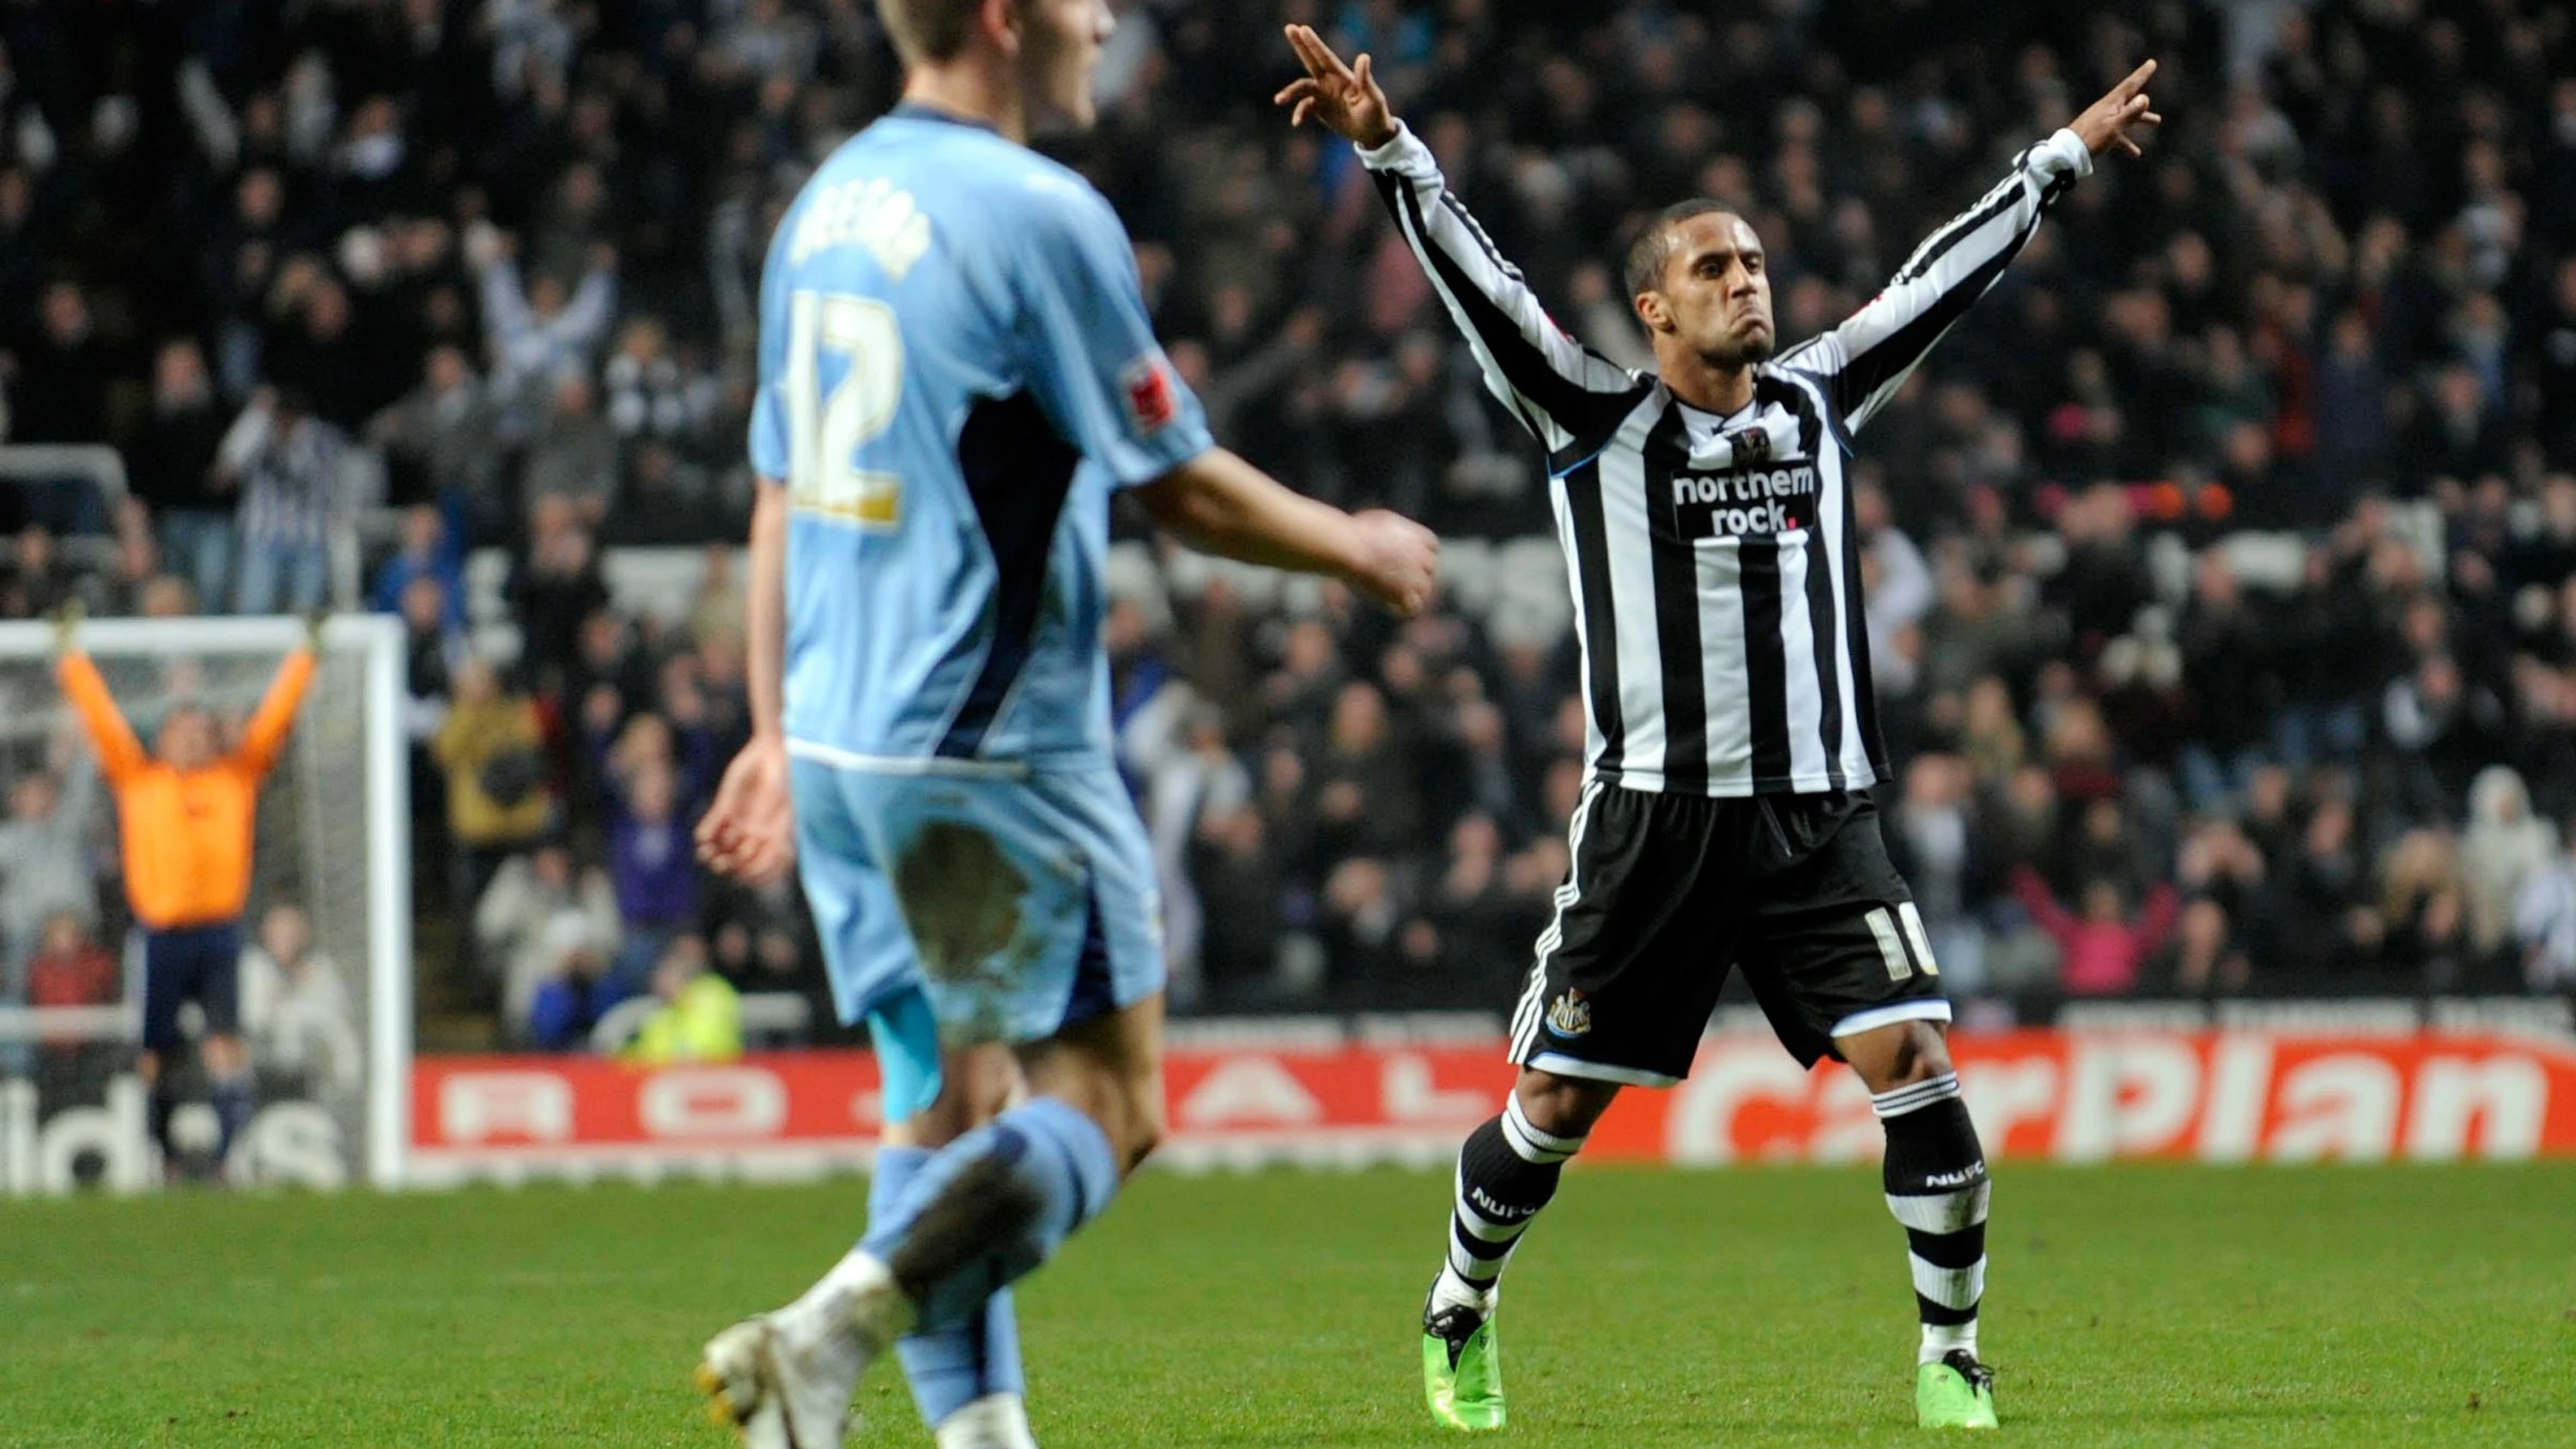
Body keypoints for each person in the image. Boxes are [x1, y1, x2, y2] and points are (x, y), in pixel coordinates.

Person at [1274, 24, 2160, 1432]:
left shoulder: (1820, 395)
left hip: (1820, 818)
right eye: (1714, 269)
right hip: (1656, 823)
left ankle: (1951, 1356)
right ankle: (1458, 1304)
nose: (1747, 282)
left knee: (1920, 1065)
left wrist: (2056, 159)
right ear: (1656, 311)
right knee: (1554, 1110)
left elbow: (1940, 279)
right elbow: (1484, 290)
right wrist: (1390, 148)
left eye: (1752, 263)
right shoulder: (1593, 419)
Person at [686, 3, 1438, 1446]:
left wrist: (771, 731)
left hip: (839, 746)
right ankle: (828, 1326)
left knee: (946, 1108)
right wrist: (1352, 545)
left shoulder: (823, 204)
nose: (1103, 22)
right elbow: (1175, 479)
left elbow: (779, 491)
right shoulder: (1036, 212)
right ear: (1001, 16)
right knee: (1110, 1100)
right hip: (988, 749)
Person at [54, 604, 321, 1177]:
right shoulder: (139, 780)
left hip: (220, 933)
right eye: (185, 732)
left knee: (226, 1046)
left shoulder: (236, 778)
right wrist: (71, 660)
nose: (197, 741)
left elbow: (274, 717)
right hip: (161, 936)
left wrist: (305, 656)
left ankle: (227, 1158)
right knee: (156, 1052)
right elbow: (102, 720)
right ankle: (166, 1157)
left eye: (203, 733)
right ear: (165, 737)